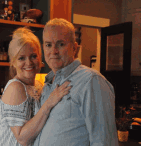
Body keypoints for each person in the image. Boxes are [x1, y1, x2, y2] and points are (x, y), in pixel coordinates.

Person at [33, 18, 119, 146]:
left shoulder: (91, 81)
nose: (53, 51)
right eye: (48, 44)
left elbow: (104, 141)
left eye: (60, 44)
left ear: (74, 48)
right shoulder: (47, 85)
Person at [0, 27, 72, 146]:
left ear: (40, 58)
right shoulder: (16, 88)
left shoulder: (38, 86)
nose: (29, 63)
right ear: (13, 63)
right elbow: (22, 138)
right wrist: (49, 103)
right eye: (21, 58)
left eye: (33, 56)